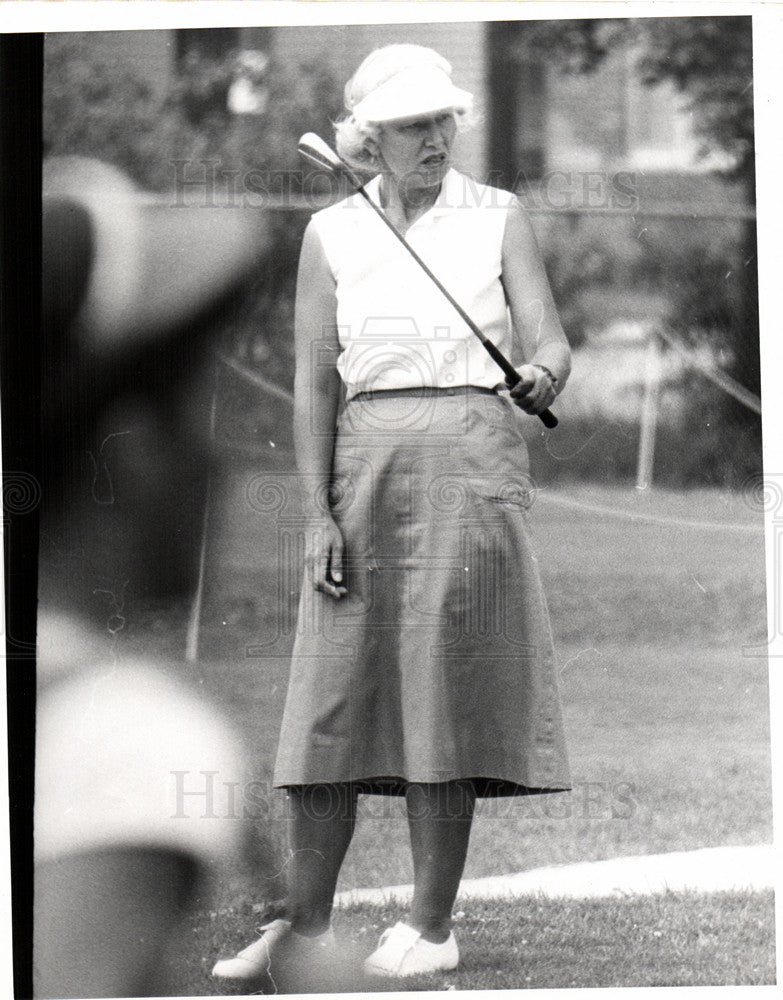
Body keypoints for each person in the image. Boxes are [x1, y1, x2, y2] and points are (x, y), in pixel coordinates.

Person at [212, 43, 572, 983]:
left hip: (469, 453)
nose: (436, 138)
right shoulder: (331, 232)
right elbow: (309, 384)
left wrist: (541, 375)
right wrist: (317, 513)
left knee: (438, 687)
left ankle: (431, 924)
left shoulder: (498, 216)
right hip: (361, 461)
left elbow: (550, 343)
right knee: (331, 698)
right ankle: (305, 927)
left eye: (444, 120)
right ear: (367, 138)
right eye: (414, 124)